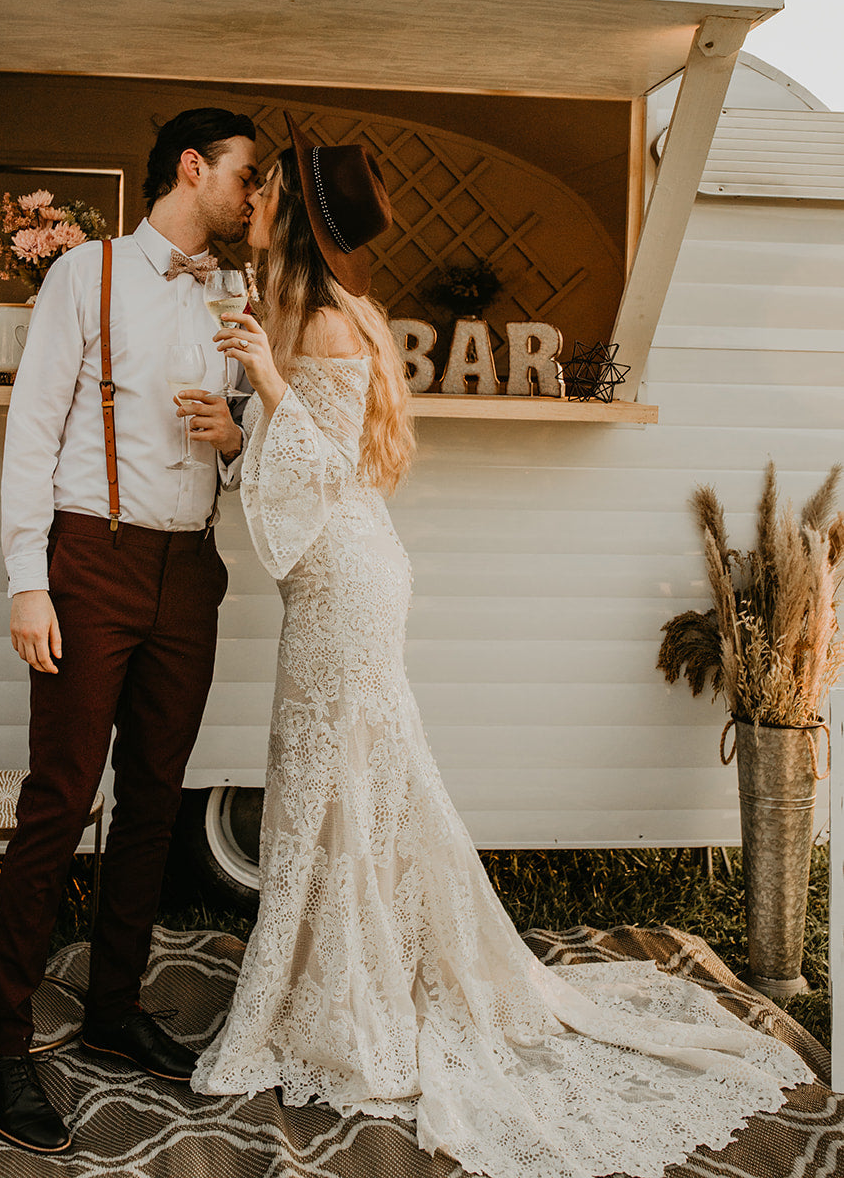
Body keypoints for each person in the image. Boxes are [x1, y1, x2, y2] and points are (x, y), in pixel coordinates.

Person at [190, 109, 813, 1178]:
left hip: (345, 575)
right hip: (340, 571)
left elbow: (333, 464)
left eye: (264, 193)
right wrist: (241, 427)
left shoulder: (327, 320)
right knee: (341, 772)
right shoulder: (311, 305)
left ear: (291, 214)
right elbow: (316, 461)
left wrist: (267, 382)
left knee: (344, 769)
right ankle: (322, 972)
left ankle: (348, 994)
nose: (248, 205)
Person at [0, 107, 258, 1153]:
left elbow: (240, 442)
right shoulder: (82, 274)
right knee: (60, 799)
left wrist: (234, 437)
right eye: (244, 174)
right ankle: (5, 1042)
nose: (251, 194)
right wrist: (26, 580)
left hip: (189, 567)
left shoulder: (235, 292)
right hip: (88, 561)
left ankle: (111, 1010)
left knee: (152, 799)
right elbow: (32, 429)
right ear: (193, 168)